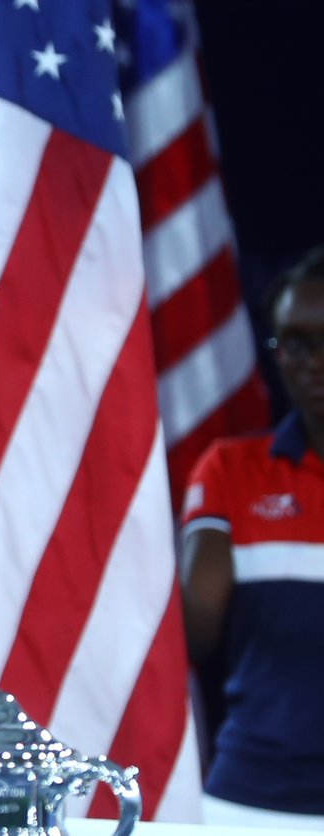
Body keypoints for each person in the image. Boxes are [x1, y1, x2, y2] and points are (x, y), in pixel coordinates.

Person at [181, 244, 324, 831]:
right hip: (252, 799)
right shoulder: (230, 471)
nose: (312, 363)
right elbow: (191, 634)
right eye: (294, 343)